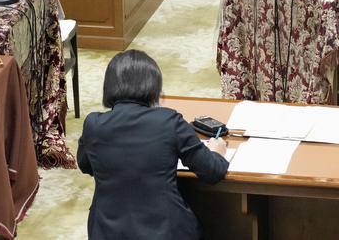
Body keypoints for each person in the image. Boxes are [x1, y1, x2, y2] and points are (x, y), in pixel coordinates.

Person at [78, 49, 229, 239]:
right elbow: (212, 171)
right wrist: (217, 151)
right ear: (153, 86)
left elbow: (85, 165)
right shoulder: (169, 121)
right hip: (165, 232)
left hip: (107, 232)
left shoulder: (93, 124)